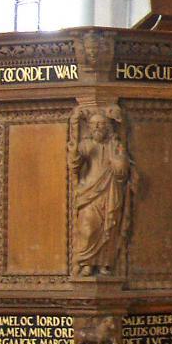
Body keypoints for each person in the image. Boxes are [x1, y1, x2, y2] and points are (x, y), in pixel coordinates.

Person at [69, 111, 130, 276]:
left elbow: (122, 170)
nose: (97, 127)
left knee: (108, 227)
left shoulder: (114, 145)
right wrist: (75, 131)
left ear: (108, 127)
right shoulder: (86, 145)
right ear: (89, 128)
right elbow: (74, 164)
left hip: (110, 191)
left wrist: (120, 162)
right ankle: (86, 262)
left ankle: (104, 263)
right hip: (89, 192)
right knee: (88, 227)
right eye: (94, 124)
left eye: (101, 123)